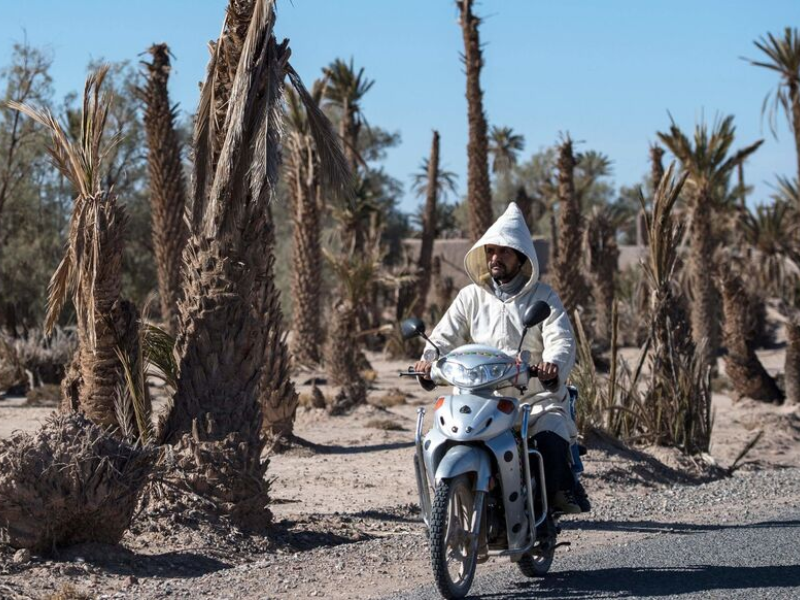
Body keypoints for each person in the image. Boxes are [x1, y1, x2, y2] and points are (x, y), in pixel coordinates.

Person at [414, 202, 589, 514]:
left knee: (550, 436)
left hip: (532, 399)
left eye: (504, 252)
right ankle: (451, 502)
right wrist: (428, 360)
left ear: (520, 256)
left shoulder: (543, 297)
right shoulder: (470, 296)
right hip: (481, 398)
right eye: (491, 251)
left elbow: (561, 340)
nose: (495, 258)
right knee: (438, 437)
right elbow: (442, 337)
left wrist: (552, 366)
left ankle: (557, 498)